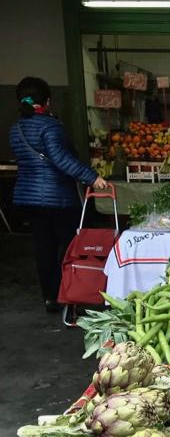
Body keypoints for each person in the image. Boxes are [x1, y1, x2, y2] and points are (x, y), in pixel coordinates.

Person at [10, 76, 110, 312]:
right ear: (47, 100)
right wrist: (92, 177)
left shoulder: (16, 129)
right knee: (68, 247)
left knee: (43, 248)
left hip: (29, 198)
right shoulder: (50, 126)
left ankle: (51, 297)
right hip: (58, 200)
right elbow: (61, 159)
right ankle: (69, 294)